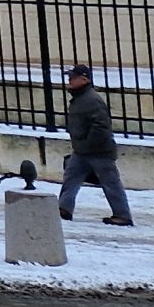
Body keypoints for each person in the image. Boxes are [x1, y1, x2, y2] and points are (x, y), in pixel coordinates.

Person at [60, 63, 134, 225]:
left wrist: (87, 142)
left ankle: (123, 215)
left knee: (111, 183)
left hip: (99, 151)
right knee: (71, 178)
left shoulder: (92, 100)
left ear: (84, 79)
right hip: (82, 150)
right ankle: (63, 209)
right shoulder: (81, 98)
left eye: (73, 77)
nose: (69, 80)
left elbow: (101, 126)